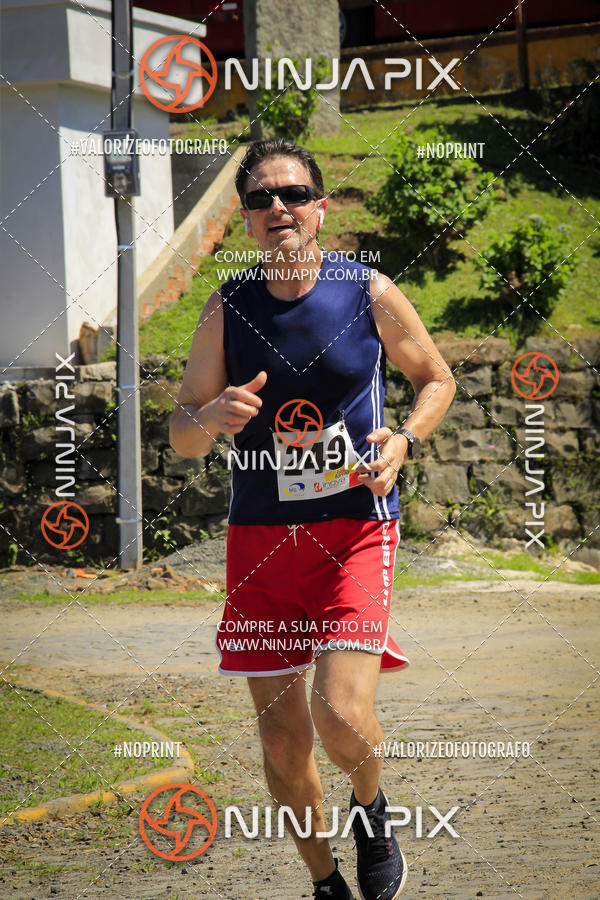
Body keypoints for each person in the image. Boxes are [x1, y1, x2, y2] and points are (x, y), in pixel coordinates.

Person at [169, 138, 456, 899]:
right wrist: (214, 416)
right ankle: (325, 882)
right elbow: (181, 431)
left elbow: (436, 378)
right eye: (260, 199)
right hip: (260, 542)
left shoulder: (367, 292)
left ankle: (371, 810)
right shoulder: (228, 307)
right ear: (245, 219)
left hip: (355, 530)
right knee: (282, 737)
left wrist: (404, 438)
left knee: (338, 711)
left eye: (293, 194)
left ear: (321, 207)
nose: (278, 210)